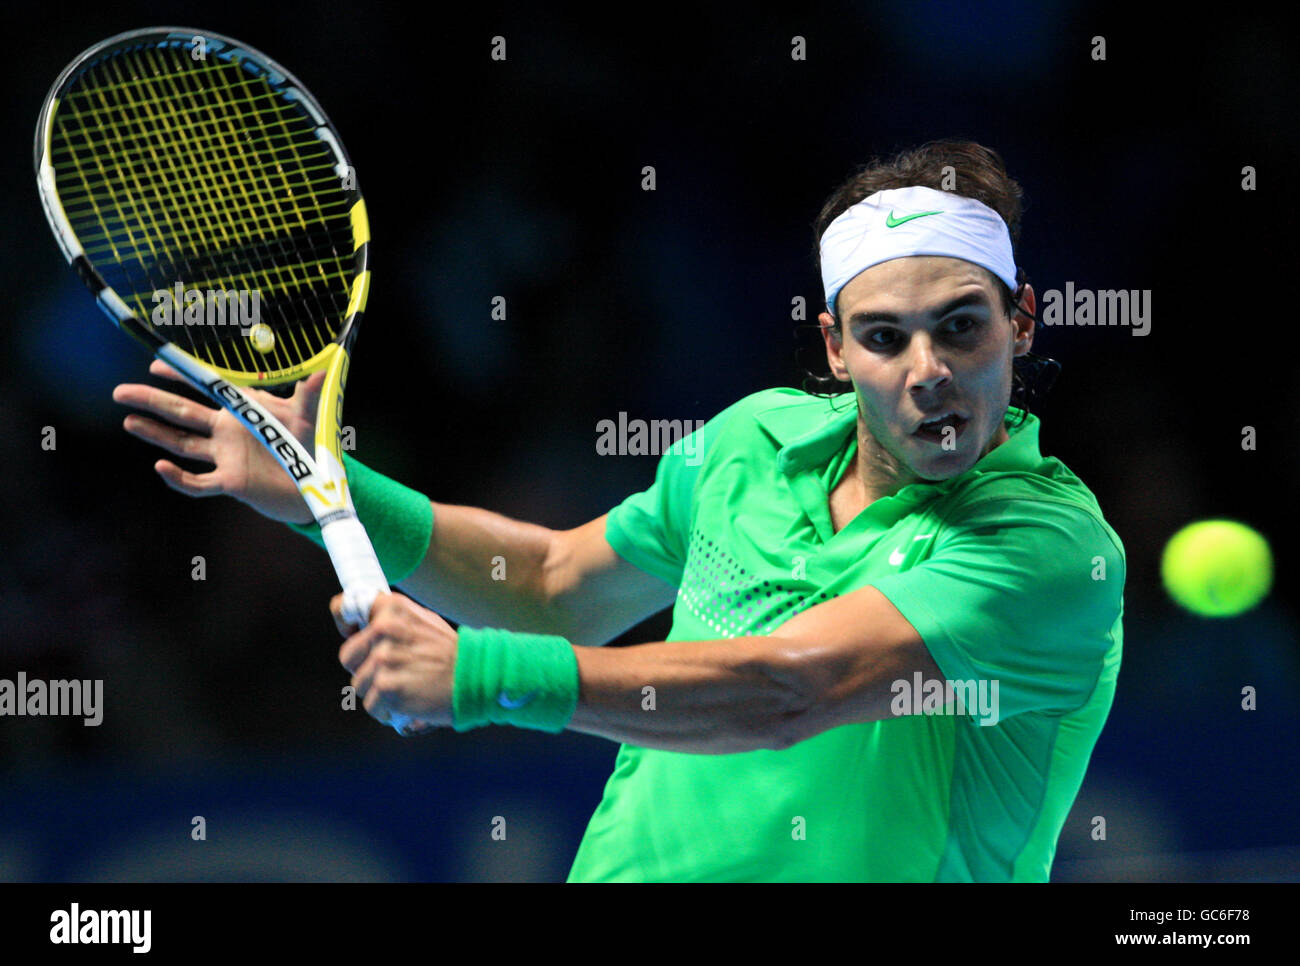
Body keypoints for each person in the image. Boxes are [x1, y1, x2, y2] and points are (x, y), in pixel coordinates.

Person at [112, 140, 1125, 882]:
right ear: (832, 346)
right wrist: (328, 493)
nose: (928, 372)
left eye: (960, 328)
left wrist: (484, 674)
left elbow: (791, 687)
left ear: (1020, 321)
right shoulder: (750, 443)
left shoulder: (1045, 546)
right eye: (883, 337)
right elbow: (554, 586)